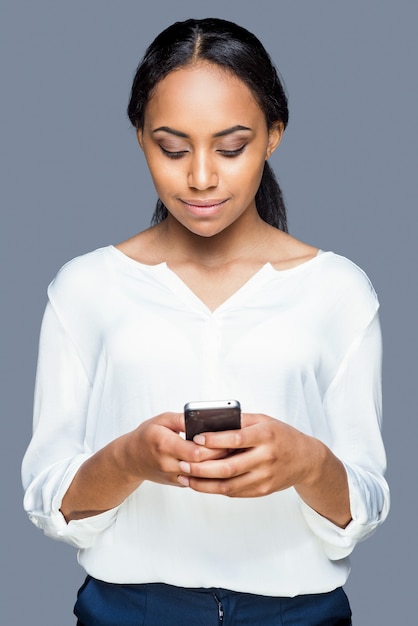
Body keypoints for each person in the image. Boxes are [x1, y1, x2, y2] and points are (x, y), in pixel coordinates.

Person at [22, 17, 389, 625]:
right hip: (129, 610)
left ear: (273, 135)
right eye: (172, 148)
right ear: (140, 136)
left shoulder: (339, 291)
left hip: (297, 613)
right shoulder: (85, 288)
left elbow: (368, 502)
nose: (199, 177)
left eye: (230, 147)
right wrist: (128, 459)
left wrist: (306, 462)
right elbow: (46, 498)